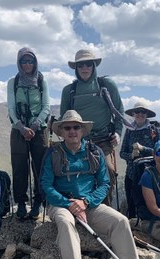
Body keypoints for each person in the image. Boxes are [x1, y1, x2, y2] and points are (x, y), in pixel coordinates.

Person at [41, 110, 146, 259]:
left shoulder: (93, 151)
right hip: (60, 203)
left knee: (120, 221)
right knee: (65, 222)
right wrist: (69, 204)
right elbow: (46, 186)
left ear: (82, 130)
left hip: (89, 203)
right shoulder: (53, 153)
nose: (72, 131)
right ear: (62, 132)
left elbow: (104, 183)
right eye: (67, 128)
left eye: (76, 127)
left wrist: (85, 202)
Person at [60, 49, 124, 207]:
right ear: (76, 67)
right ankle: (82, 208)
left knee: (107, 172)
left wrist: (118, 132)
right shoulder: (69, 91)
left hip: (104, 140)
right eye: (80, 64)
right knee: (78, 175)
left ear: (94, 65)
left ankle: (105, 210)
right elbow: (64, 118)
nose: (85, 67)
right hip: (80, 141)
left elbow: (119, 111)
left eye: (88, 63)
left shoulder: (106, 85)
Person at [7, 47, 50, 219]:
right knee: (19, 167)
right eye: (23, 61)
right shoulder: (13, 82)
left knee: (40, 166)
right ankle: (21, 203)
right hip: (19, 130)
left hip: (39, 130)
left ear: (35, 62)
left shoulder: (41, 81)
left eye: (30, 61)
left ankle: (39, 202)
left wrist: (35, 125)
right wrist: (21, 127)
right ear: (19, 63)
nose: (27, 64)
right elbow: (10, 108)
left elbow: (46, 106)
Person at [120, 102, 160, 218]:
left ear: (147, 114)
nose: (140, 114)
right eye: (137, 112)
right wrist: (132, 156)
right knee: (131, 201)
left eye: (143, 112)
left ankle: (147, 226)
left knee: (148, 203)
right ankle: (132, 227)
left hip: (150, 174)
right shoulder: (129, 130)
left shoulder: (154, 130)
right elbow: (122, 153)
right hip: (131, 173)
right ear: (133, 114)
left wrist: (143, 149)